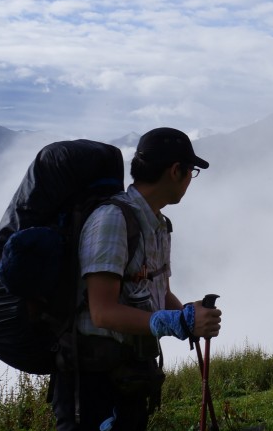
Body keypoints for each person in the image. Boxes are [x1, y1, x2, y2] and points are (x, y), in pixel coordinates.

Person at [50, 127, 223, 430]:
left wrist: (190, 315)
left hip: (131, 374)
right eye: (191, 171)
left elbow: (160, 293)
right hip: (92, 380)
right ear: (175, 171)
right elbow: (101, 312)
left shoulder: (159, 225)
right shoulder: (112, 220)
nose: (189, 181)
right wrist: (178, 323)